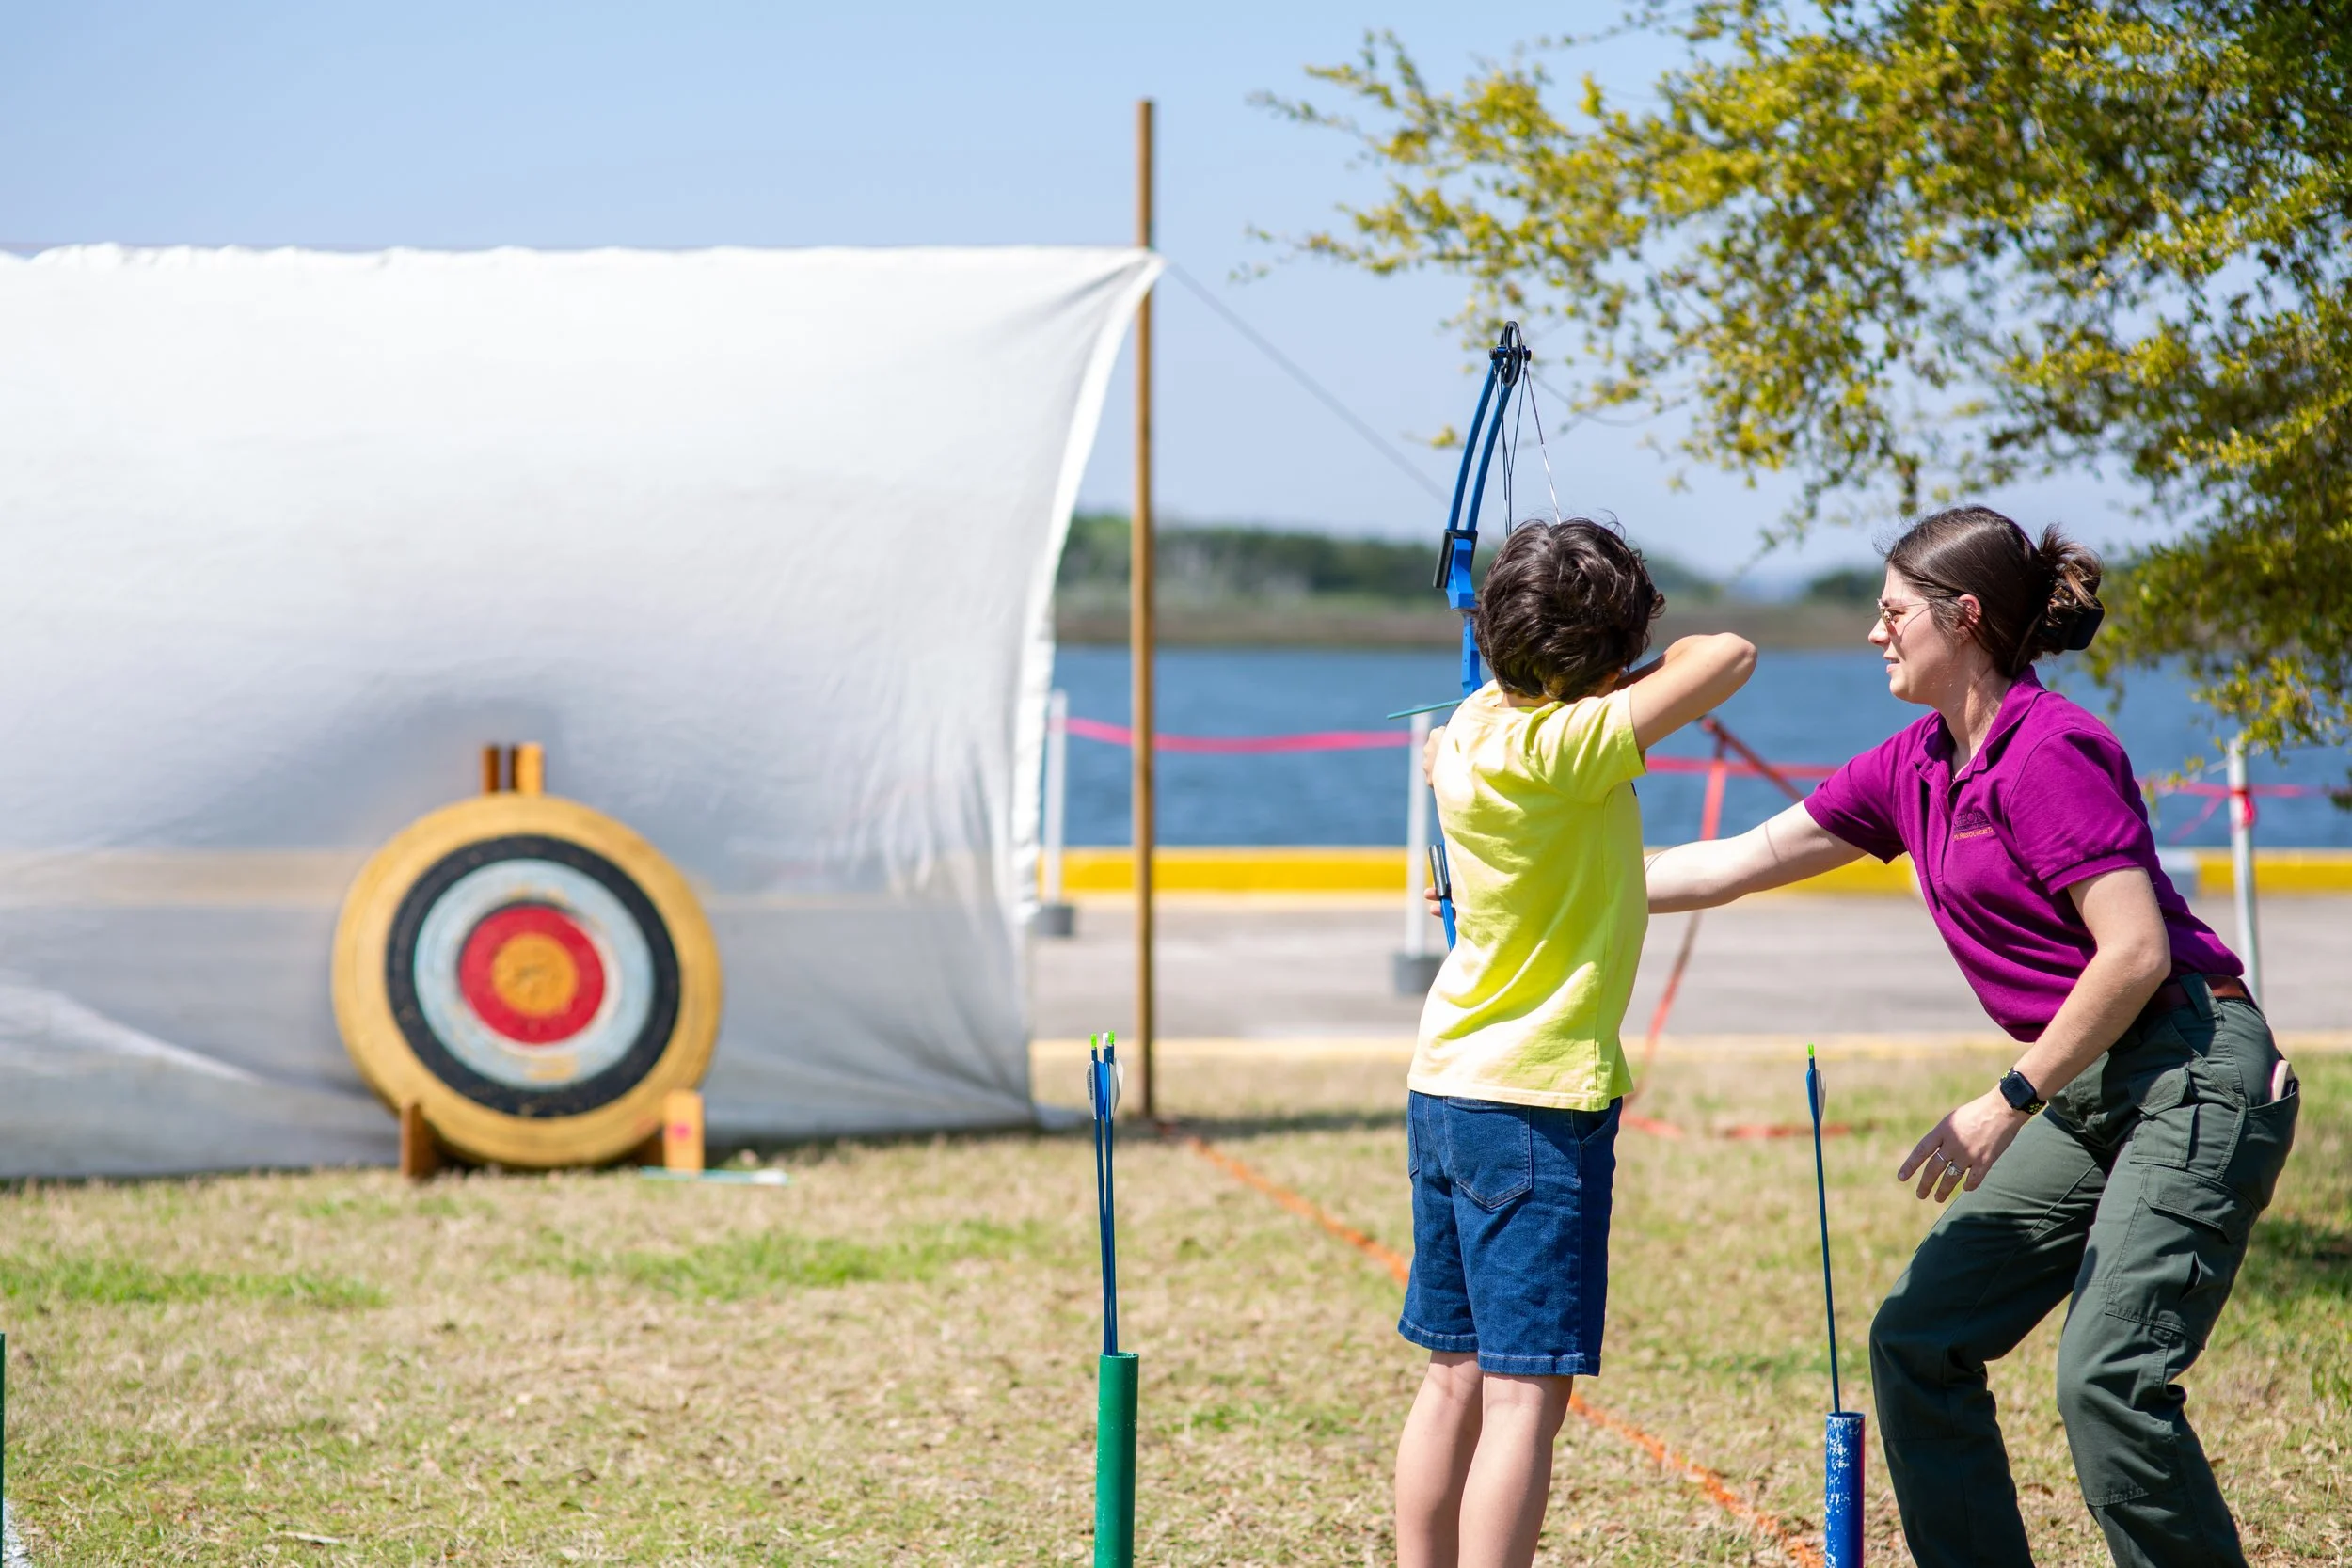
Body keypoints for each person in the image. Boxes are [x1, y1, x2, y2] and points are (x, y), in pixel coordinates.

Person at [1643, 506, 2298, 1568]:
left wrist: (2006, 1098)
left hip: (2190, 1063)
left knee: (2105, 1380)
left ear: (1965, 616)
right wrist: (1551, 893)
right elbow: (1731, 860)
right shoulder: (1912, 764)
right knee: (1917, 1342)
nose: (1873, 632)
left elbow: (2132, 954)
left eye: (1891, 610)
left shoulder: (2054, 748)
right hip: (2087, 1082)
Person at [1397, 518, 1756, 1568]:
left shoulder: (1467, 725)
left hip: (1447, 1082)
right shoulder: (1567, 746)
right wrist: (1616, 681)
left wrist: (1593, 673)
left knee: (1452, 1374)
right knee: (1523, 1397)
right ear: (1598, 661)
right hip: (1534, 1101)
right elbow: (1725, 655)